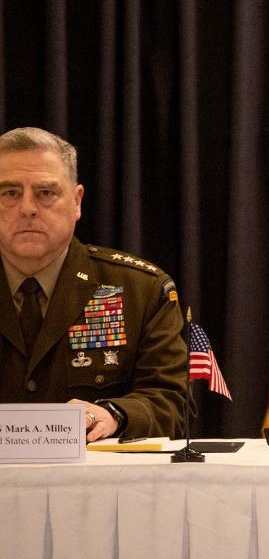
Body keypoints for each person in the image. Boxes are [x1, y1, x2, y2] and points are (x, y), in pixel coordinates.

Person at [0, 127, 188, 441]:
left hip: (97, 471)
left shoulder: (140, 290)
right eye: (10, 193)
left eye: (45, 193)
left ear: (76, 202)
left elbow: (171, 403)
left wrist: (116, 414)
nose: (27, 208)